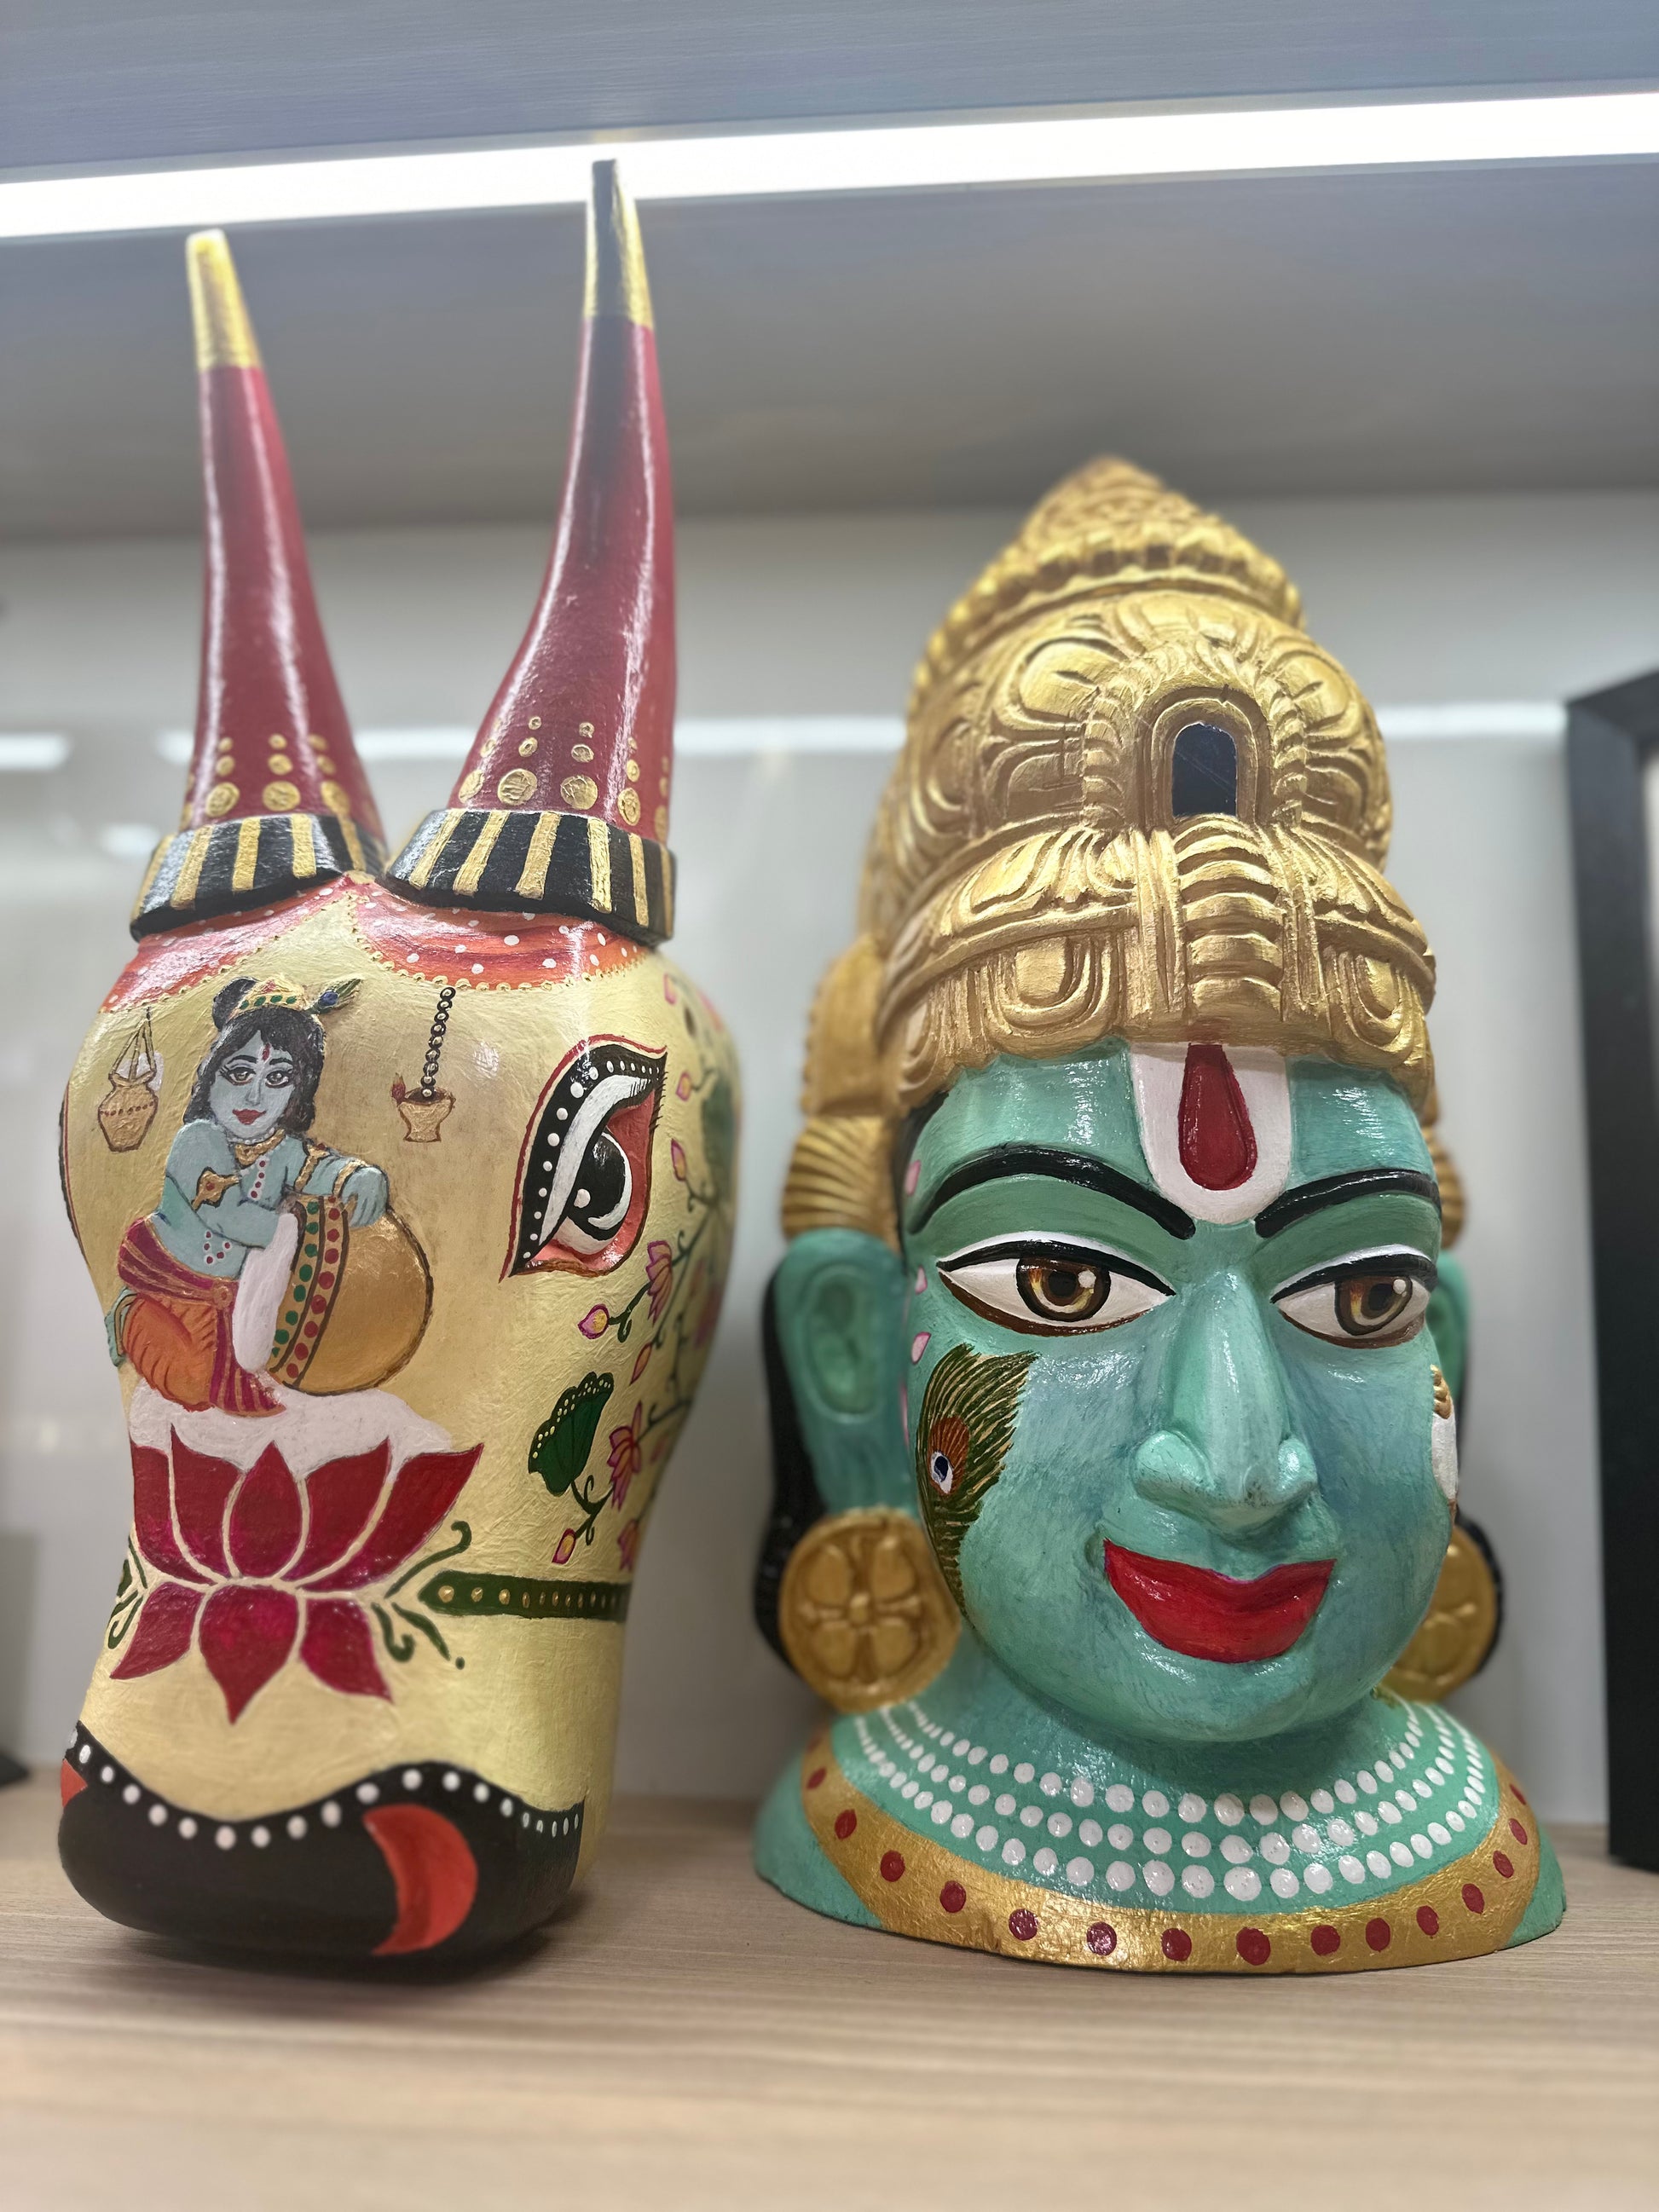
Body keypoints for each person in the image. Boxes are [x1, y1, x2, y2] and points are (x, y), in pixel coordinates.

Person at [108, 974, 386, 1414]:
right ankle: (128, 1317)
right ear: (211, 1072)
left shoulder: (283, 1148)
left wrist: (357, 1177)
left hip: (234, 1300)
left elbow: (321, 1168)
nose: (255, 1095)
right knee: (189, 1385)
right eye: (240, 1073)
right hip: (173, 1288)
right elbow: (228, 1216)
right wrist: (290, 1235)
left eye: (277, 1078)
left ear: (297, 1090)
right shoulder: (198, 1140)